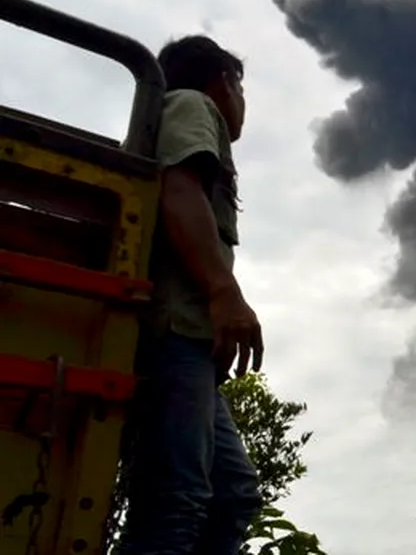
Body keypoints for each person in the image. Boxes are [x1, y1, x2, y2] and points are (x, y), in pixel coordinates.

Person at [118, 35, 264, 555]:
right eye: (241, 88)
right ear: (225, 82)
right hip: (174, 331)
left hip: (192, 344)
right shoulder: (191, 105)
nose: (243, 104)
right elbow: (179, 188)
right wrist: (225, 292)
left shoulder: (180, 112)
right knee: (176, 500)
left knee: (233, 494)